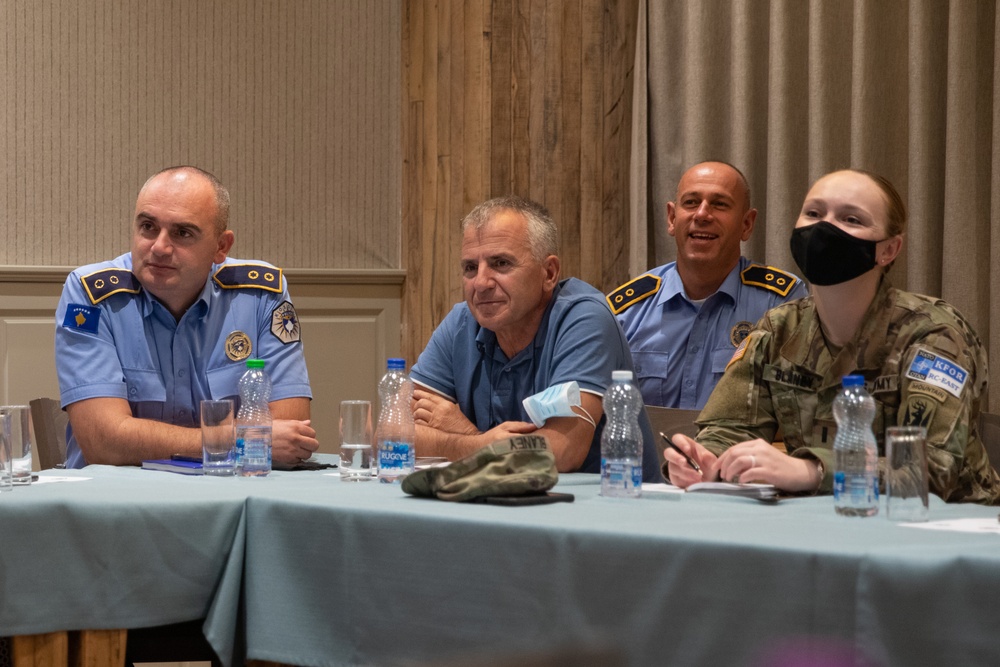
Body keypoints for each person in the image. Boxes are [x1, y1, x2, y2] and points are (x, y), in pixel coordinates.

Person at [665, 169, 1000, 504]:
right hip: (824, 524)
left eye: (851, 219)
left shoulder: (933, 334)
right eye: (813, 213)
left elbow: (930, 469)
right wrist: (705, 460)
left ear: (888, 250)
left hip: (945, 530)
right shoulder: (778, 329)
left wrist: (811, 471)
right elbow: (730, 428)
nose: (823, 229)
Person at [55, 166, 319, 469]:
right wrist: (236, 439)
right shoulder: (91, 295)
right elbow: (103, 442)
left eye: (182, 233)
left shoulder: (260, 296)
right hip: (116, 503)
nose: (159, 247)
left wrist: (153, 439)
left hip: (228, 497)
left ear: (221, 247)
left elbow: (288, 429)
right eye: (148, 227)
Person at [410, 195, 661, 480]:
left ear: (549, 273)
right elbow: (390, 431)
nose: (481, 283)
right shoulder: (462, 322)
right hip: (502, 508)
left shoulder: (584, 318)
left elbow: (560, 452)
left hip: (601, 512)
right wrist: (480, 444)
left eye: (501, 263)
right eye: (470, 267)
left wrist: (465, 436)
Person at [608, 161, 807, 409]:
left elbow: (798, 408)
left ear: (747, 224)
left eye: (720, 204)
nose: (702, 214)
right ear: (671, 218)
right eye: (691, 202)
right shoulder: (627, 311)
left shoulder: (781, 302)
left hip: (738, 448)